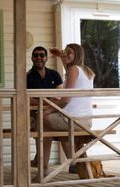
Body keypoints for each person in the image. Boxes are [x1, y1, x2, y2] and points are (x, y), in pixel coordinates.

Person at [41, 43, 99, 176]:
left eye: (69, 52)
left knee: (42, 121)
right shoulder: (87, 71)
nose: (65, 54)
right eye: (64, 52)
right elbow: (68, 94)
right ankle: (77, 164)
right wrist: (61, 54)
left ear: (77, 55)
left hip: (73, 121)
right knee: (57, 130)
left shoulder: (73, 70)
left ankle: (43, 169)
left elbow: (65, 100)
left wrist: (48, 110)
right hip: (86, 121)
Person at [27, 46, 63, 167]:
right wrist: (47, 102)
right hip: (35, 114)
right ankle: (43, 165)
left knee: (67, 130)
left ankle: (74, 163)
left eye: (42, 55)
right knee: (42, 124)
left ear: (46, 58)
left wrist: (46, 103)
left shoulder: (54, 75)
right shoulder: (27, 76)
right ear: (32, 58)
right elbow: (26, 100)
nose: (39, 58)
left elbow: (60, 95)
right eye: (36, 55)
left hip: (54, 112)